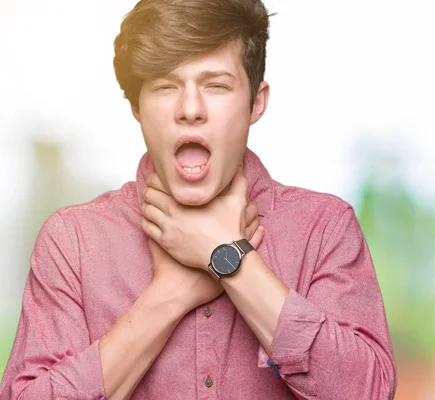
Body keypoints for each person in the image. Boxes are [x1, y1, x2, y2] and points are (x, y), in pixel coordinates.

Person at [0, 0, 397, 399]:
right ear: (137, 106)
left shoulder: (324, 228)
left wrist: (229, 259)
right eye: (166, 86)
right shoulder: (73, 241)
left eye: (216, 86)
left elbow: (370, 392)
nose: (190, 110)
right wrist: (170, 293)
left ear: (256, 102)